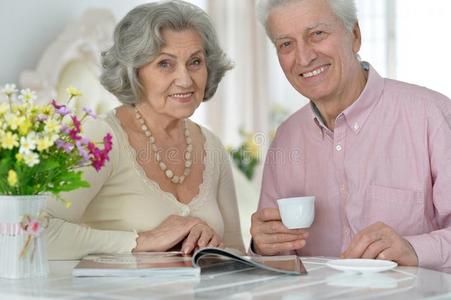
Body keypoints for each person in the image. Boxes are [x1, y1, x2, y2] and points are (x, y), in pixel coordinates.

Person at [251, 0, 451, 272]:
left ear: (355, 35)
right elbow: (275, 264)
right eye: (286, 44)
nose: (304, 57)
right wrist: (262, 247)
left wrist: (414, 248)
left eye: (317, 34)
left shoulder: (432, 115)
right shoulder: (286, 138)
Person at [46, 0, 245, 259]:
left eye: (195, 62)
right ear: (133, 71)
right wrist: (143, 240)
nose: (185, 79)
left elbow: (237, 252)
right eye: (165, 63)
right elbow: (36, 232)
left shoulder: (211, 146)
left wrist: (214, 246)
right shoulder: (101, 138)